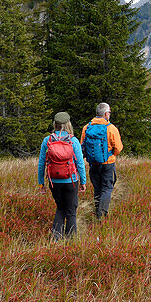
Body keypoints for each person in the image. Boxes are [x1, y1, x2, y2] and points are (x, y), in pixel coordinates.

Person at [38, 112, 87, 240]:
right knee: (71, 210)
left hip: (54, 181)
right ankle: (71, 240)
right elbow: (80, 163)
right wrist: (83, 181)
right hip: (71, 180)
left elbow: (41, 163)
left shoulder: (47, 140)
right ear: (68, 124)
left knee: (60, 207)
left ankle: (56, 238)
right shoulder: (73, 140)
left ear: (55, 124)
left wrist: (41, 183)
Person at [80, 102, 123, 220]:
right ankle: (101, 215)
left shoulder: (86, 128)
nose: (109, 114)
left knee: (97, 188)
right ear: (105, 113)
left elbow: (82, 146)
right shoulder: (111, 128)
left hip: (93, 163)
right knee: (107, 188)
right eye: (109, 112)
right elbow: (118, 148)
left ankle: (97, 209)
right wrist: (112, 155)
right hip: (108, 163)